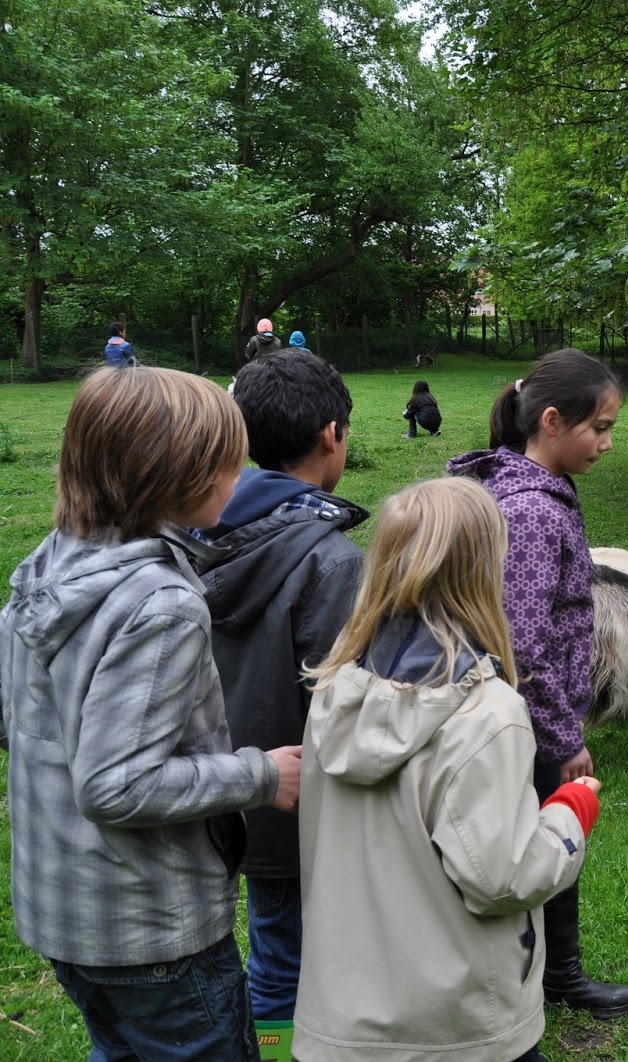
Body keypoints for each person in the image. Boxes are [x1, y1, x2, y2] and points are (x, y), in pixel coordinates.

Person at [0, 366, 302, 1062]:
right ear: (179, 476)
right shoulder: (159, 605)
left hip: (65, 914)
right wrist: (263, 775)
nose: (237, 476)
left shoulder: (48, 564)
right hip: (151, 931)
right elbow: (115, 785)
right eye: (227, 463)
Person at [294, 478, 598, 1062]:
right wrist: (569, 814)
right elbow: (500, 879)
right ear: (488, 570)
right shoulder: (490, 715)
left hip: (344, 1025)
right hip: (461, 1032)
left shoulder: (335, 689)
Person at [447, 348, 628, 1020]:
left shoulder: (531, 491)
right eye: (601, 427)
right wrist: (564, 740)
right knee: (542, 845)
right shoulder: (531, 512)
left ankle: (554, 972)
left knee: (539, 843)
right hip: (526, 721)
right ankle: (546, 977)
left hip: (526, 715)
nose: (609, 444)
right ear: (552, 421)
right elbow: (521, 642)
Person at [191, 349, 367, 1039]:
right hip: (306, 797)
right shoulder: (332, 560)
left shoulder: (194, 528)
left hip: (227, 786)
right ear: (332, 434)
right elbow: (344, 697)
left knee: (274, 938)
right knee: (302, 954)